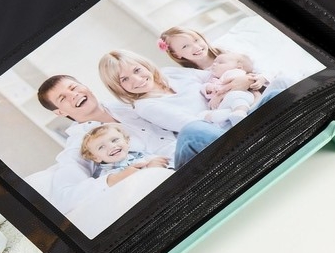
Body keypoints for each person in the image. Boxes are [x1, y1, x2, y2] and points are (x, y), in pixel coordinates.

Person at [36, 75, 219, 213]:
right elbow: (64, 197)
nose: (73, 95)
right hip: (170, 177)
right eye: (63, 98)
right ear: (60, 112)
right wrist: (122, 176)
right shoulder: (79, 142)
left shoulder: (128, 104)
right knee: (195, 131)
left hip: (196, 154)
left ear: (85, 86)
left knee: (203, 126)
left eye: (74, 88)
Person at [98, 49, 215, 134]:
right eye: (125, 79)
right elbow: (195, 125)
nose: (137, 80)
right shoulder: (145, 106)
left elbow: (212, 75)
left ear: (145, 65)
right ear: (117, 87)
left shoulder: (168, 73)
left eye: (137, 70)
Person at [79, 123, 170, 187]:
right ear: (96, 158)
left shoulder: (139, 154)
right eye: (101, 147)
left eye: (114, 140)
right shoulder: (109, 174)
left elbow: (160, 161)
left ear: (126, 141)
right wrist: (150, 168)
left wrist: (157, 161)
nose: (112, 146)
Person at [199, 51, 259, 126]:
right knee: (202, 115)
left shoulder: (236, 72)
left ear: (239, 67)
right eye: (214, 62)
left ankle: (240, 112)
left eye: (220, 62)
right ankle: (228, 114)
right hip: (223, 105)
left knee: (237, 100)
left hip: (239, 96)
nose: (214, 64)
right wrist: (208, 87)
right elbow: (204, 88)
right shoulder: (214, 79)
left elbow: (235, 83)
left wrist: (217, 91)